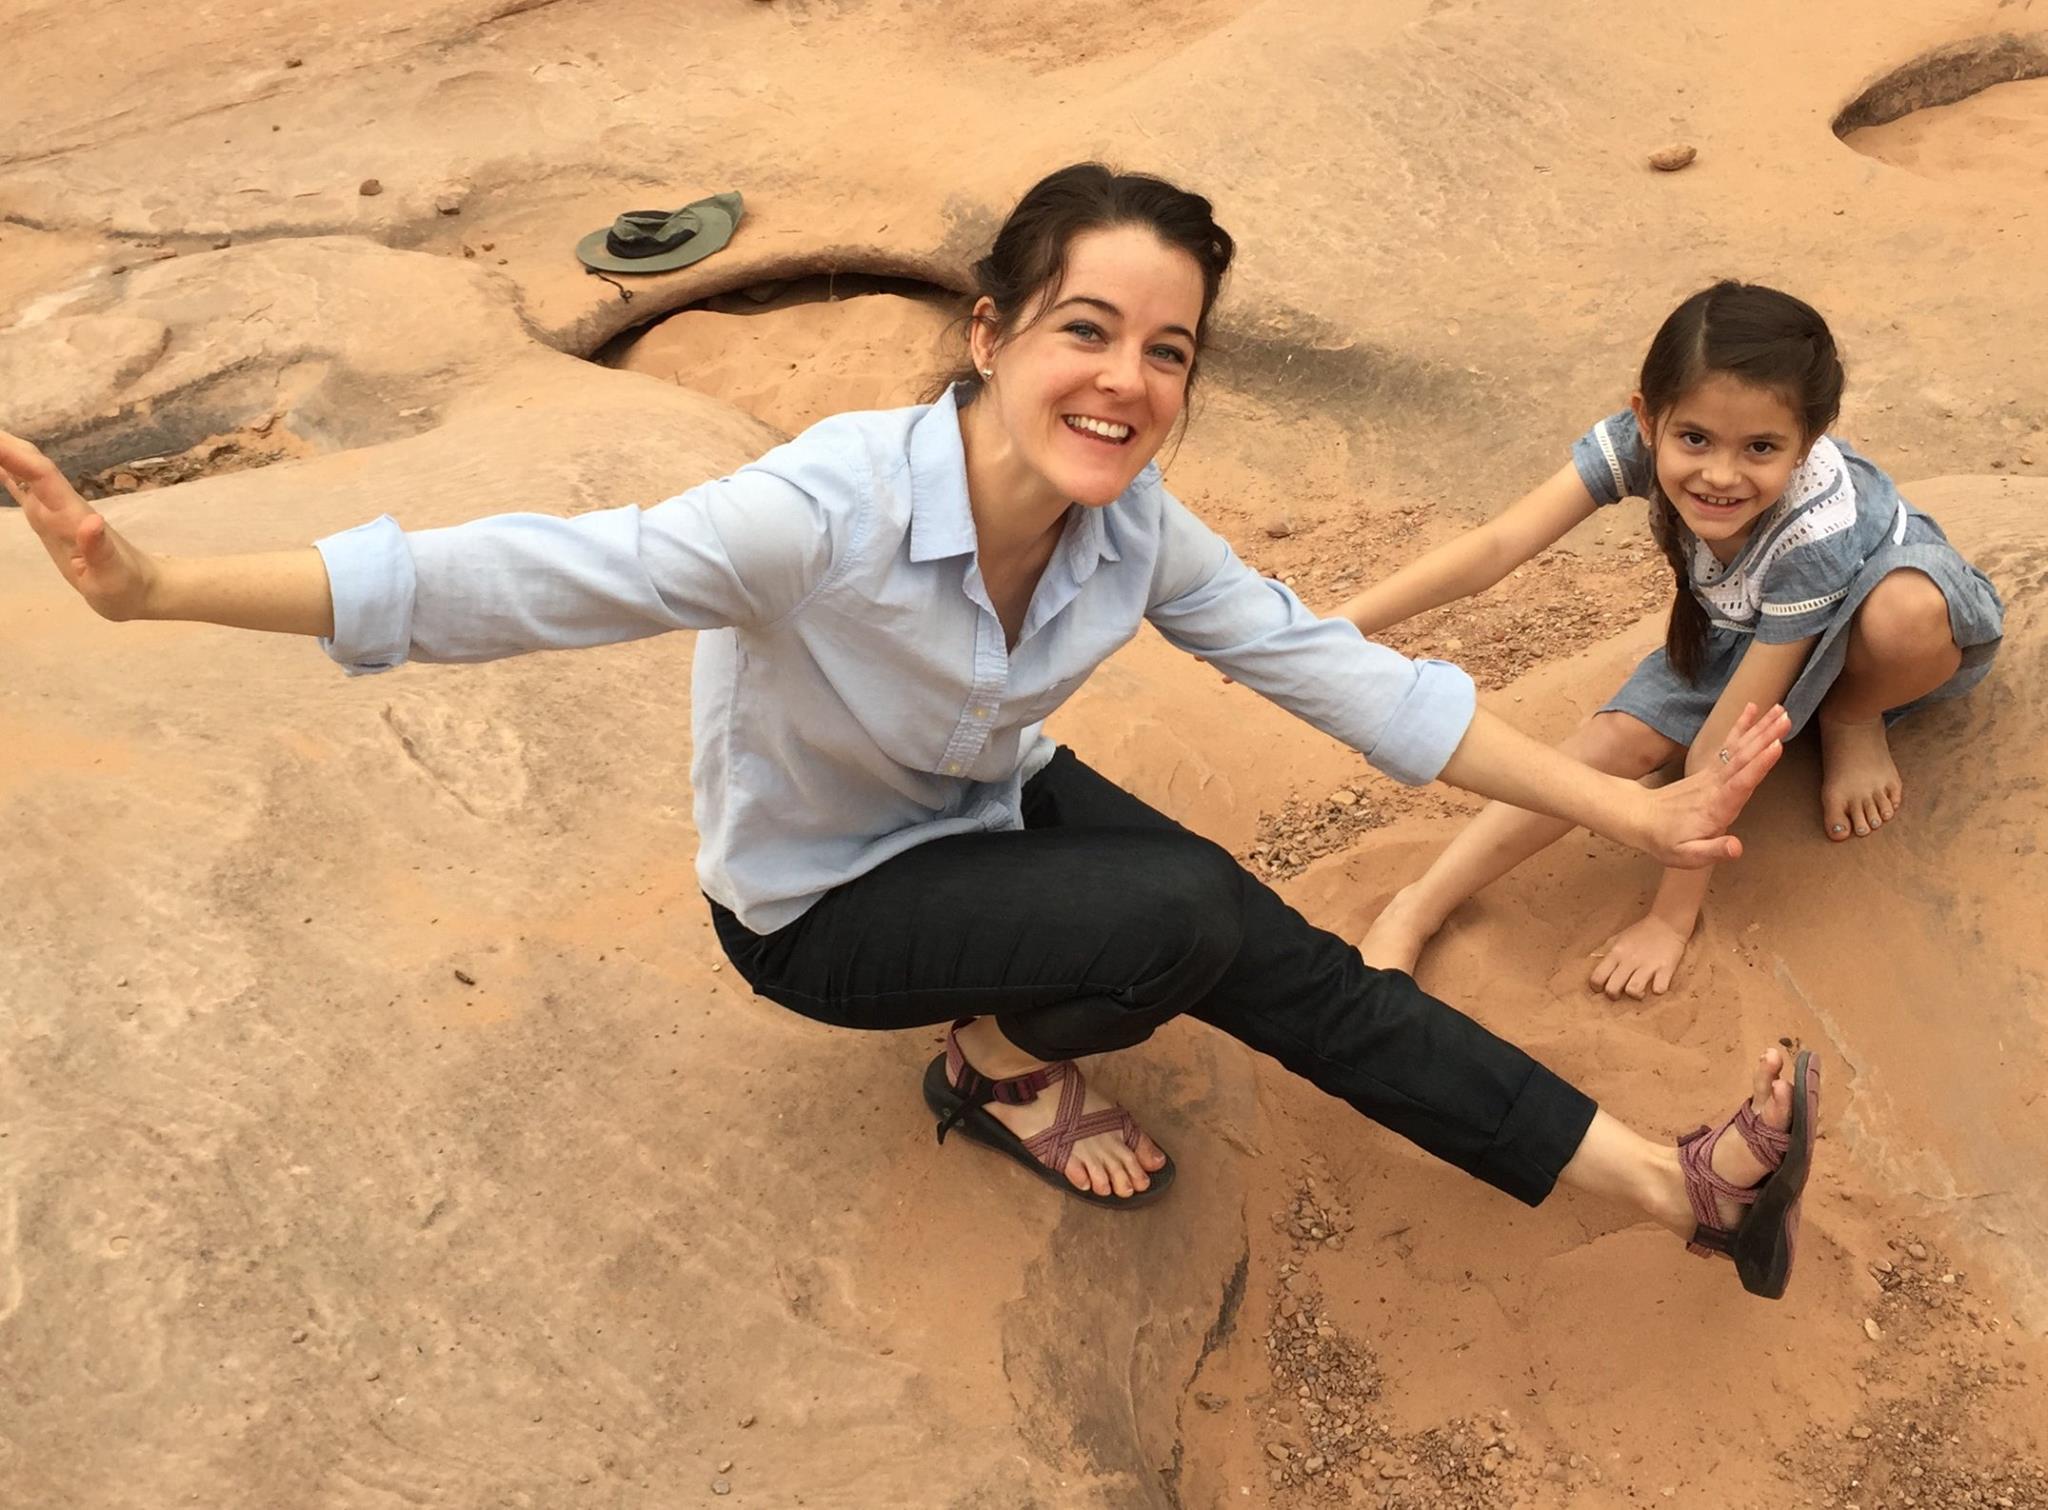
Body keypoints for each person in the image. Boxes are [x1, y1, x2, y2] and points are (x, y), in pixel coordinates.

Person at [1, 165, 1819, 1298]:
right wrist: (156, 584)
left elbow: (1346, 680)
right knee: (1182, 917)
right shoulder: (822, 512)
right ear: (992, 333)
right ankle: (999, 1063)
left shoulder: (1129, 526)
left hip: (980, 814)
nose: (1125, 378)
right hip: (816, 907)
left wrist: (1635, 822)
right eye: (1085, 329)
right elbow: (522, 577)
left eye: (1167, 350)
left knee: (1266, 949)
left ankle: (1670, 1188)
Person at [1350, 282, 2004, 1000]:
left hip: (1860, 619)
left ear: (1809, 443)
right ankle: (1419, 905)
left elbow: (1724, 743)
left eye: (1761, 447)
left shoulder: (1817, 532)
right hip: (1739, 628)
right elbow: (1500, 543)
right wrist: (1336, 627)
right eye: (1695, 438)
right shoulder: (1640, 442)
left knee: (1904, 615)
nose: (1720, 474)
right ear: (1648, 418)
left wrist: (1669, 918)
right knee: (1606, 748)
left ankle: (1851, 716)